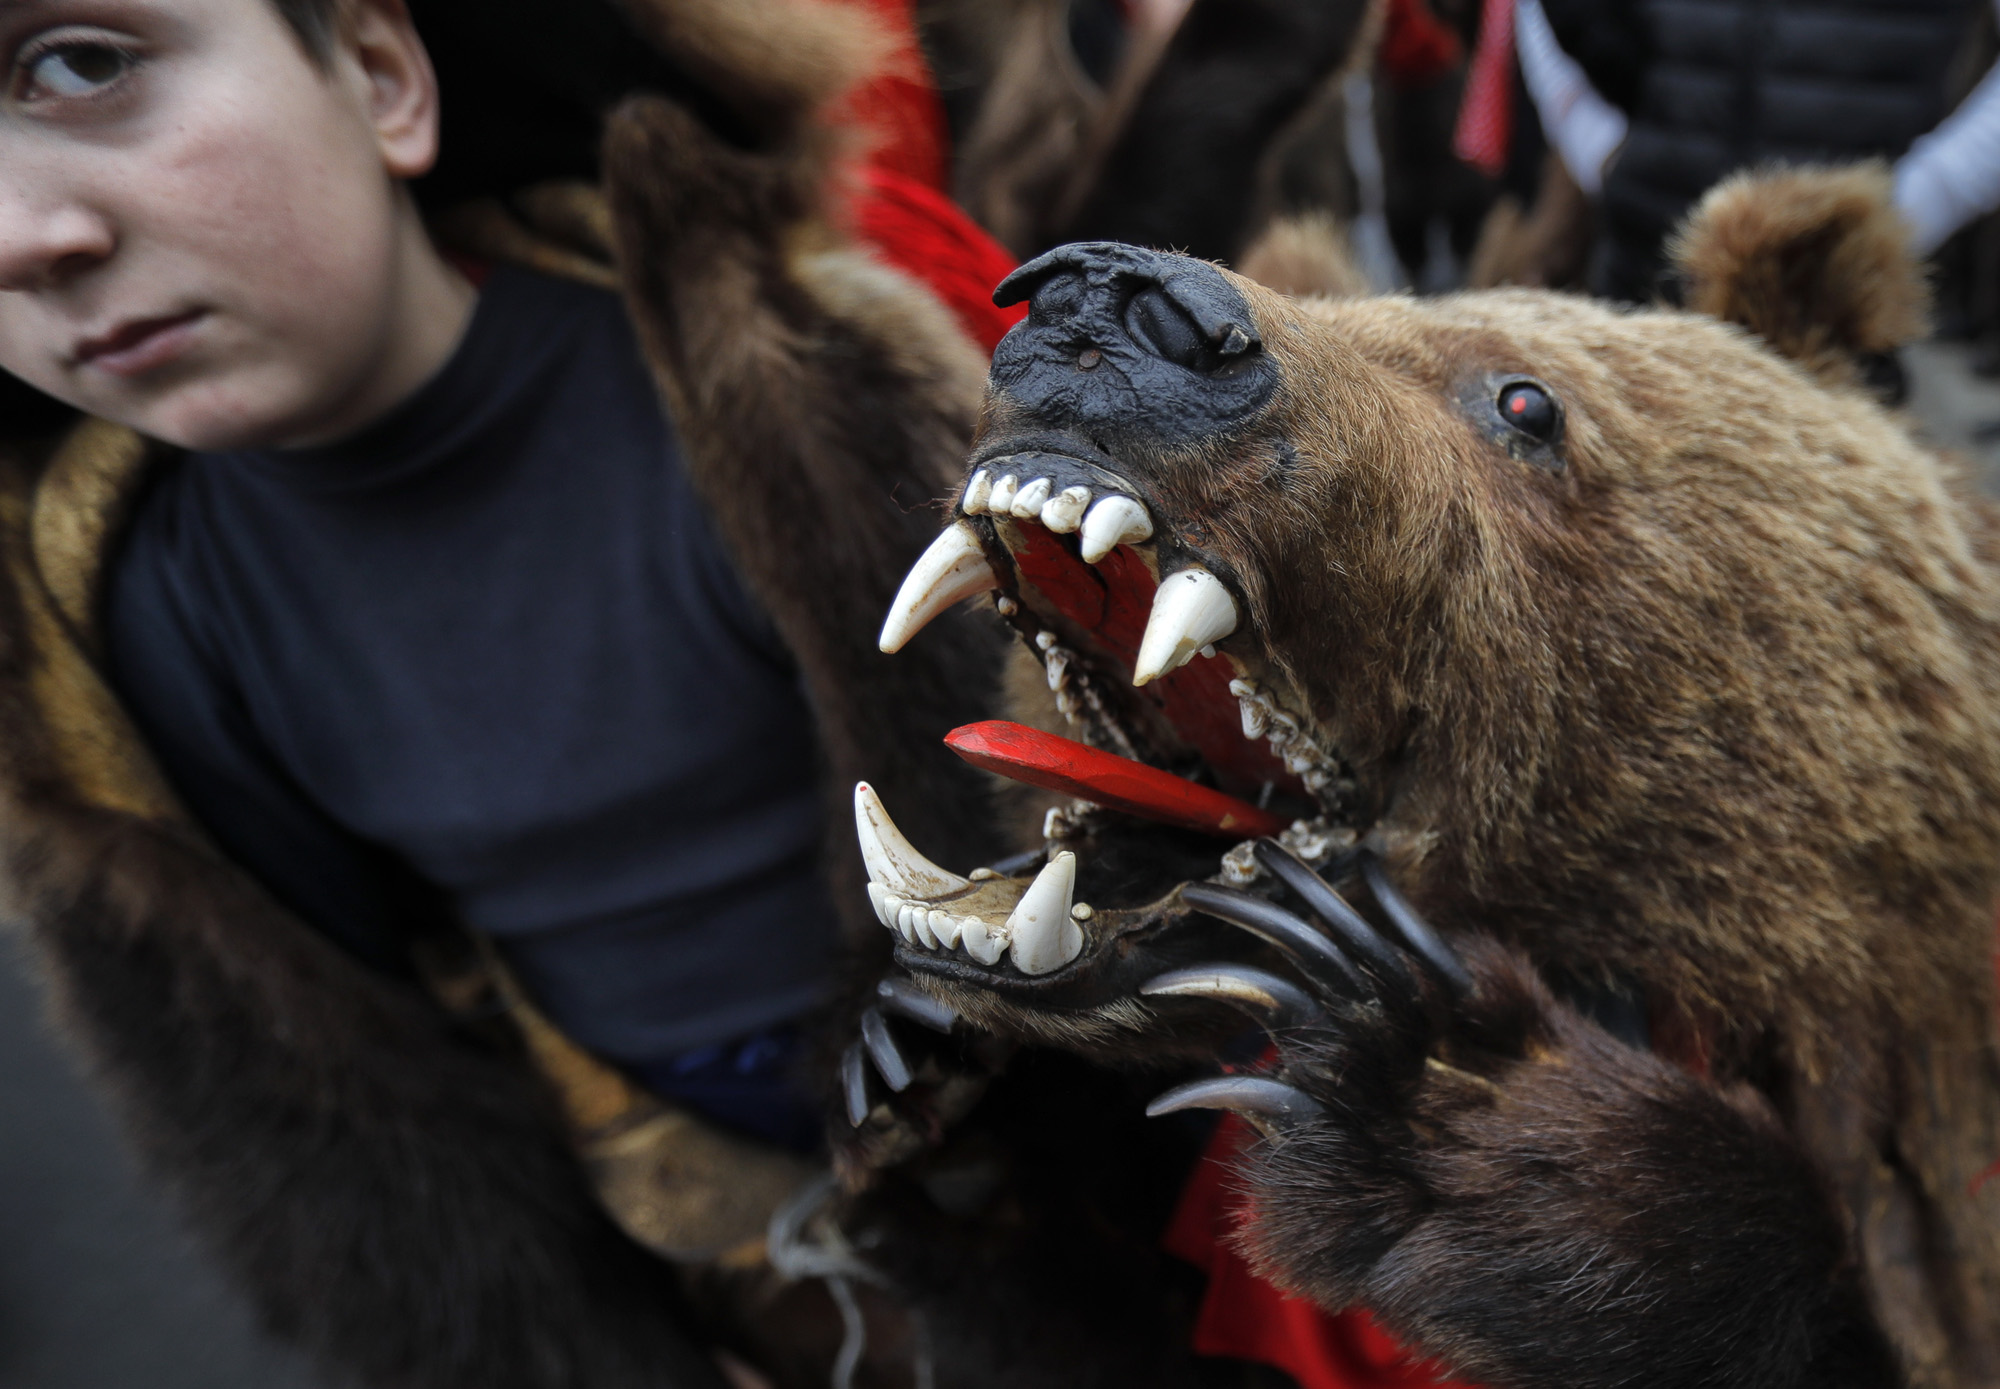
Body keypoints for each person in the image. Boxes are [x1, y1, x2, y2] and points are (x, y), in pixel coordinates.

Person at [0, 0, 1018, 1383]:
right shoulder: (150, 620)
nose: (24, 240)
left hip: (1039, 1164)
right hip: (693, 1242)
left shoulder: (750, 405)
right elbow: (353, 1047)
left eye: (82, 64)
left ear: (377, 77)